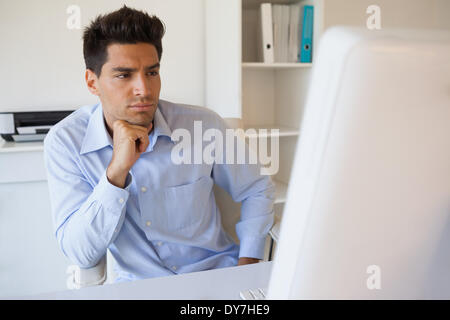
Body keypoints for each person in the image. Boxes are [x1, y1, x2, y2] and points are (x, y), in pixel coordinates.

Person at [44, 5, 275, 283]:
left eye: (152, 72)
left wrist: (248, 266)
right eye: (124, 75)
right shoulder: (65, 142)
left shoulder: (203, 126)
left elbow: (257, 188)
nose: (144, 88)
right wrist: (116, 172)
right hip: (139, 288)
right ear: (92, 82)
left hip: (217, 276)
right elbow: (81, 253)